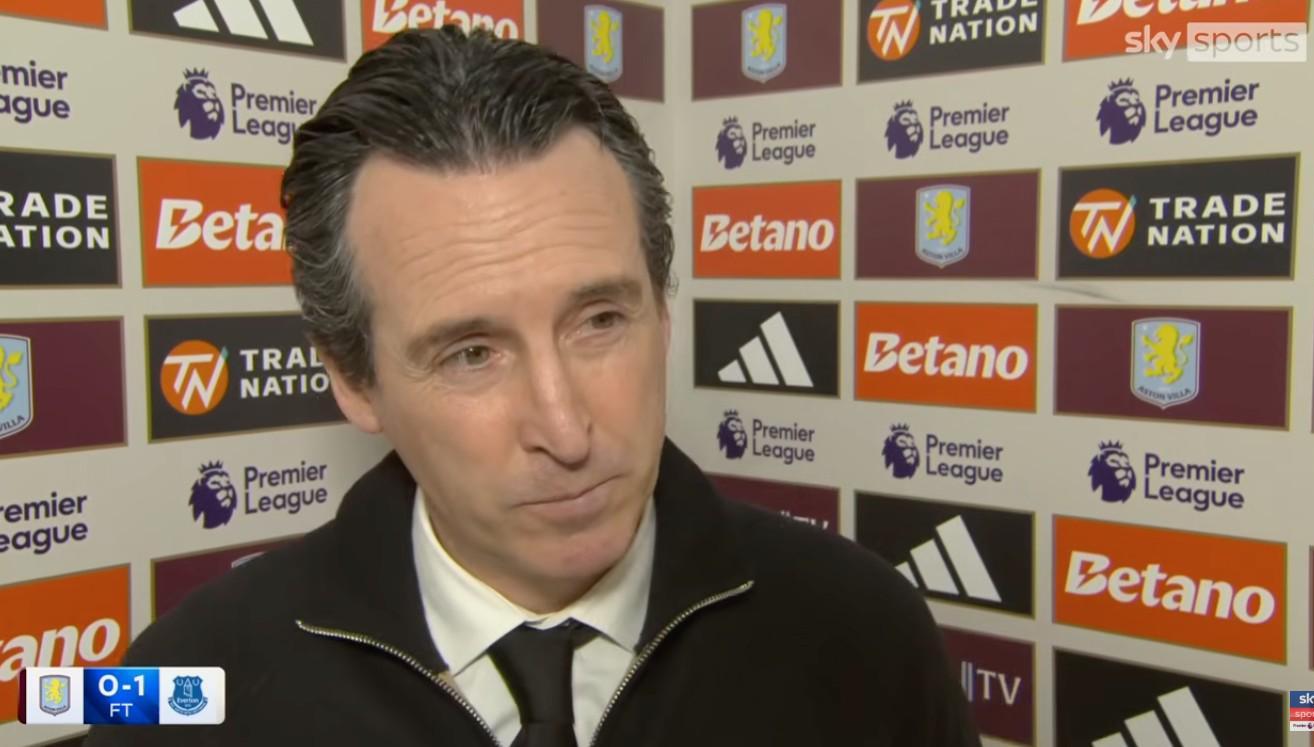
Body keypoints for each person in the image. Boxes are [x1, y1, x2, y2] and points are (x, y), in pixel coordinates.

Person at [85, 26, 980, 747]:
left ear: (663, 312)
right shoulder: (181, 690)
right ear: (353, 380)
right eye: (472, 353)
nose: (566, 426)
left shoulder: (863, 634)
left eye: (600, 320)